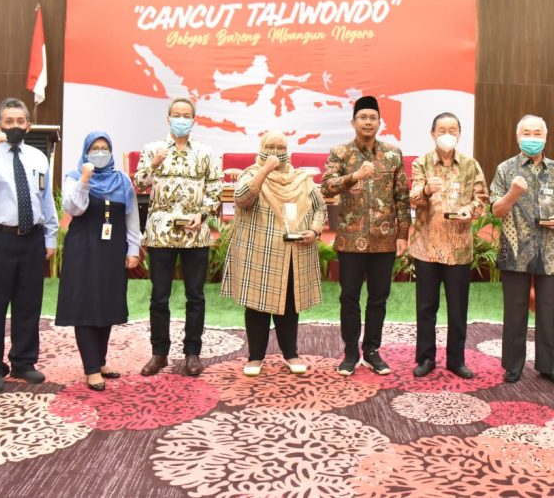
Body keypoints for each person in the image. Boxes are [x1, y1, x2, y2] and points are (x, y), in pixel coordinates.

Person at [0, 97, 58, 392]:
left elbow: (45, 199)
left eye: (20, 121)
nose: (15, 126)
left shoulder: (38, 157)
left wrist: (50, 236)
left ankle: (23, 361)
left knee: (28, 303)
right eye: (8, 122)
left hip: (31, 238)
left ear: (28, 125)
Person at [222, 131, 327, 376]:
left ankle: (291, 354)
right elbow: (242, 199)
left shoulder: (301, 179)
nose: (276, 152)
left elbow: (320, 206)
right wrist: (265, 170)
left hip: (293, 253)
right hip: (259, 254)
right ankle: (255, 357)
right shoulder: (250, 174)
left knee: (289, 305)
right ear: (261, 148)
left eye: (280, 147)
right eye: (270, 146)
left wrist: (314, 230)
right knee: (257, 307)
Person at [322, 95, 411, 376]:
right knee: (349, 297)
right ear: (354, 123)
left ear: (379, 122)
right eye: (363, 117)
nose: (368, 122)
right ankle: (351, 352)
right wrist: (355, 176)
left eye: (373, 117)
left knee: (378, 298)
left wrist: (403, 233)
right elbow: (327, 187)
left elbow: (402, 197)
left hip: (384, 240)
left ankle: (372, 350)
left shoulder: (393, 154)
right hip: (350, 240)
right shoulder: (340, 153)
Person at [134, 97, 221, 377]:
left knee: (195, 296)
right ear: (168, 118)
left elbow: (215, 189)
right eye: (176, 114)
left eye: (186, 115)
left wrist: (203, 214)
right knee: (159, 297)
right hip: (161, 233)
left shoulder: (206, 152)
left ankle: (192, 353)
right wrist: (154, 164)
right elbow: (139, 184)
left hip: (196, 235)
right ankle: (159, 353)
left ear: (193, 120)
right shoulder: (153, 149)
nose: (181, 119)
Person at [490, 115, 554, 387]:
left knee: (549, 310)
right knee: (515, 311)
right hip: (516, 251)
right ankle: (513, 365)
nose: (532, 138)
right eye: (527, 133)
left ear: (545, 137)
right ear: (518, 137)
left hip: (551, 251)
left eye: (537, 133)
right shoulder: (506, 169)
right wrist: (513, 193)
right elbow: (496, 210)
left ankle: (550, 366)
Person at [55, 132, 141, 391]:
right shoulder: (74, 177)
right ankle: (91, 368)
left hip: (112, 250)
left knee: (107, 304)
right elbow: (74, 208)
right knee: (85, 305)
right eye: (95, 148)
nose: (100, 152)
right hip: (83, 250)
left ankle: (100, 361)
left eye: (105, 147)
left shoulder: (122, 180)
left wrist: (133, 249)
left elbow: (131, 218)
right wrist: (85, 179)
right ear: (86, 152)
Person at [408, 112, 487, 379]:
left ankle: (456, 359)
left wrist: (469, 210)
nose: (447, 135)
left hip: (458, 248)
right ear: (433, 134)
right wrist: (426, 190)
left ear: (459, 134)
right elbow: (413, 199)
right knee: (426, 307)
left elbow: (481, 199)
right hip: (427, 247)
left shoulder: (470, 165)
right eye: (442, 130)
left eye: (452, 130)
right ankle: (426, 358)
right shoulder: (422, 163)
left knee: (457, 309)